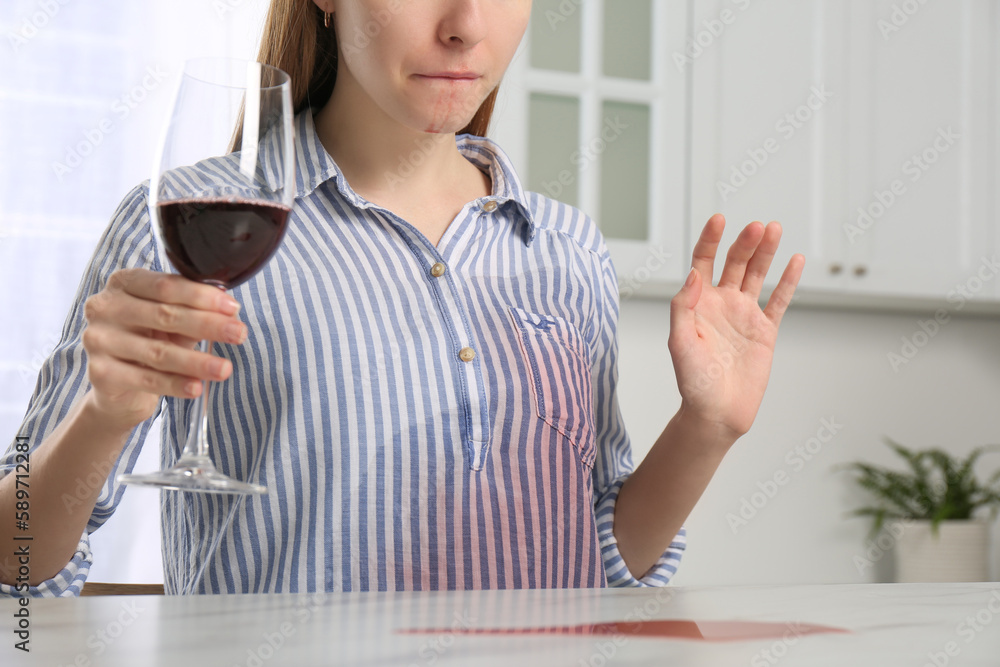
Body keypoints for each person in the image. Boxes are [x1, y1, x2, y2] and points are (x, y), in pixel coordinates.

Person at [0, 0, 803, 596]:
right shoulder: (184, 226)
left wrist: (707, 428)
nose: (464, 24)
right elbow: (18, 565)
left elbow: (599, 566)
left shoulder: (566, 248)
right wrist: (103, 417)